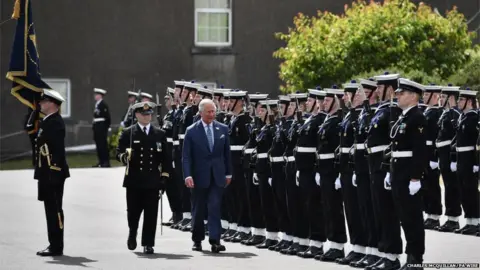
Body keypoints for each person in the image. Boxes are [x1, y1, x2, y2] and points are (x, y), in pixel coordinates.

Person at [116, 101, 172, 254]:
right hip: (134, 180)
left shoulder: (159, 134)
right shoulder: (129, 132)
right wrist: (124, 157)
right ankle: (132, 232)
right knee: (133, 212)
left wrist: (164, 177)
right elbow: (118, 152)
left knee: (151, 214)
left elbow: (166, 159)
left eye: (149, 114)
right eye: (143, 114)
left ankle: (148, 243)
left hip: (152, 180)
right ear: (136, 115)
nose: (147, 117)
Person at [182, 98, 232, 253]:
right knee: (198, 209)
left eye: (214, 111)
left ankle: (215, 240)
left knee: (215, 207)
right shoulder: (191, 131)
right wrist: (187, 175)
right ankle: (197, 239)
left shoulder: (222, 129)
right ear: (201, 112)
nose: (212, 114)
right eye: (209, 112)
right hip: (198, 177)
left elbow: (227, 154)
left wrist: (228, 173)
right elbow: (186, 157)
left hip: (217, 175)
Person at [389, 78, 428, 269]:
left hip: (408, 175)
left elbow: (419, 151)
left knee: (412, 217)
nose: (398, 96)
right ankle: (410, 255)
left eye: (401, 93)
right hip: (398, 173)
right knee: (404, 217)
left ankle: (415, 258)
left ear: (413, 96)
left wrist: (415, 178)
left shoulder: (417, 117)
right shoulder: (403, 117)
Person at [34, 89, 70, 256]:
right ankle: (53, 244)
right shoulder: (48, 121)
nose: (40, 104)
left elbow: (57, 151)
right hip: (47, 172)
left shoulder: (54, 122)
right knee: (50, 209)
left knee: (54, 210)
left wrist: (54, 171)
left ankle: (56, 246)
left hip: (52, 173)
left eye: (43, 102)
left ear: (52, 104)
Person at [454, 89, 479, 235]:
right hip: (461, 157)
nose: (458, 103)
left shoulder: (474, 118)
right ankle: (469, 221)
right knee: (463, 190)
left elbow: (477, 142)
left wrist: (476, 162)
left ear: (469, 101)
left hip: (470, 157)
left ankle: (476, 221)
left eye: (461, 100)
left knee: (471, 190)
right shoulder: (463, 117)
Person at [421, 84, 443, 230]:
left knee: (433, 185)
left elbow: (437, 137)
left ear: (434, 96)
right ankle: (429, 213)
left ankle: (434, 216)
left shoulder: (436, 113)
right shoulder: (426, 111)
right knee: (426, 185)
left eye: (427, 94)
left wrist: (435, 158)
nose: (424, 96)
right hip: (424, 151)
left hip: (431, 152)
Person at [92, 88, 111, 168]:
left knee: (103, 144)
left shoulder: (103, 105)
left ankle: (106, 161)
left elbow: (107, 117)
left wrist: (106, 127)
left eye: (96, 94)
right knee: (98, 144)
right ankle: (100, 161)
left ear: (100, 96)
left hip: (102, 126)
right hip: (97, 126)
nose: (95, 96)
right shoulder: (97, 104)